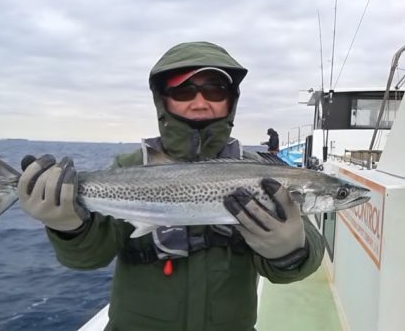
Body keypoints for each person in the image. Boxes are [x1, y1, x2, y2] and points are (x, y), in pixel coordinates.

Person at [17, 41, 324, 331]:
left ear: (231, 100)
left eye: (215, 91)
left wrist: (292, 251)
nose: (200, 102)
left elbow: (295, 266)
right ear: (162, 100)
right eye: (183, 90)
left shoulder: (261, 173)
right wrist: (69, 229)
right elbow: (90, 257)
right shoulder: (129, 167)